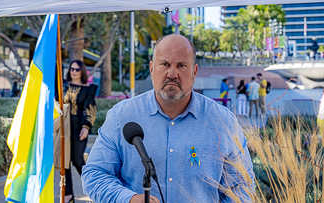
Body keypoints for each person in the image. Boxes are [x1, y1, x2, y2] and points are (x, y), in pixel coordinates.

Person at [82, 34, 255, 203]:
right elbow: (95, 175)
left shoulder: (223, 121)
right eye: (165, 64)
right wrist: (129, 199)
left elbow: (242, 187)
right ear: (151, 69)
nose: (172, 74)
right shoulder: (121, 116)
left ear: (194, 72)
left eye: (181, 66)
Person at [62, 60, 98, 203]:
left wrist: (86, 126)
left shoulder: (88, 89)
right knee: (65, 162)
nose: (74, 72)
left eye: (77, 70)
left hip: (79, 129)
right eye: (72, 69)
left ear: (82, 71)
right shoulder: (63, 85)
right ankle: (68, 194)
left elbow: (90, 109)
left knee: (78, 160)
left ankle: (95, 188)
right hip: (64, 128)